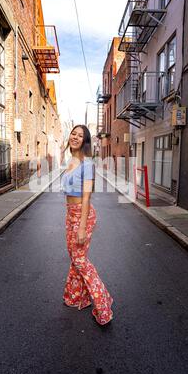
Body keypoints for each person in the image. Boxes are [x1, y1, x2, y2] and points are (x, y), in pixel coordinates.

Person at [60, 125, 113, 326]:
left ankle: (102, 302)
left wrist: (81, 227)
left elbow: (86, 197)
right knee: (74, 257)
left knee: (80, 260)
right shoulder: (71, 161)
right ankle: (76, 296)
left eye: (80, 136)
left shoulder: (87, 164)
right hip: (70, 214)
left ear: (85, 141)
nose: (75, 137)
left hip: (83, 216)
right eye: (73, 133)